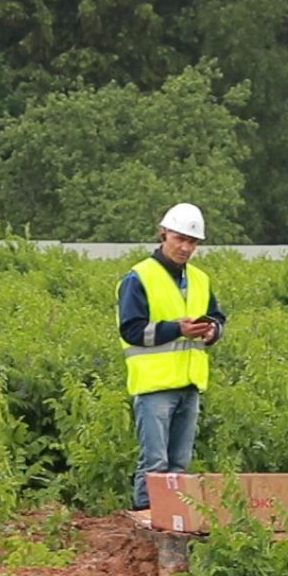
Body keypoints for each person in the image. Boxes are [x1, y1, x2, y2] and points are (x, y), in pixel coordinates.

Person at [117, 202, 226, 512]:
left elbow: (218, 318)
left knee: (179, 464)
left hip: (189, 382)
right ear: (163, 234)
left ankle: (173, 520)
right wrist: (177, 328)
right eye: (179, 239)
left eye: (192, 242)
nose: (185, 247)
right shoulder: (138, 278)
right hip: (154, 385)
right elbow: (132, 330)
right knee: (155, 462)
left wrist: (211, 331)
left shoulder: (200, 279)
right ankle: (147, 520)